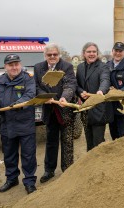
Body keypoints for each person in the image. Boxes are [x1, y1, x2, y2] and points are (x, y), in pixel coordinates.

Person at [0, 54, 37, 194]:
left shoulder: (28, 78)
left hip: (25, 123)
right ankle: (11, 179)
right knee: (9, 154)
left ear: (20, 65)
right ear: (6, 66)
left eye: (16, 64)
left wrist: (15, 105)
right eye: (11, 65)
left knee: (28, 155)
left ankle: (29, 181)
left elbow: (30, 94)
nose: (14, 67)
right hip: (6, 123)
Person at [34, 44, 77, 184]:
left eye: (55, 54)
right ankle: (49, 170)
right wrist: (44, 96)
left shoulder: (67, 66)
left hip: (64, 108)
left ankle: (68, 169)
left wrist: (65, 97)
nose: (52, 57)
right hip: (49, 109)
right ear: (45, 55)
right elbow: (36, 86)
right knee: (51, 141)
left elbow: (70, 84)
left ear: (59, 55)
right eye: (49, 55)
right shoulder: (38, 67)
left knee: (67, 140)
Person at [76, 42, 113, 151]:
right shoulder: (80, 67)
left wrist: (101, 91)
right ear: (84, 53)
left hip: (99, 110)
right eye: (89, 52)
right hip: (86, 110)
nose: (91, 54)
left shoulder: (103, 66)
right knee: (89, 142)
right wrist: (80, 92)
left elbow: (105, 80)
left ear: (97, 53)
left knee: (98, 143)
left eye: (94, 52)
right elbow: (77, 85)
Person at [106, 42, 124, 140]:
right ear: (112, 51)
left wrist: (117, 93)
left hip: (123, 107)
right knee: (114, 136)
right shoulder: (107, 65)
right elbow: (103, 81)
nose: (118, 53)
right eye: (116, 51)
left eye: (120, 51)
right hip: (110, 108)